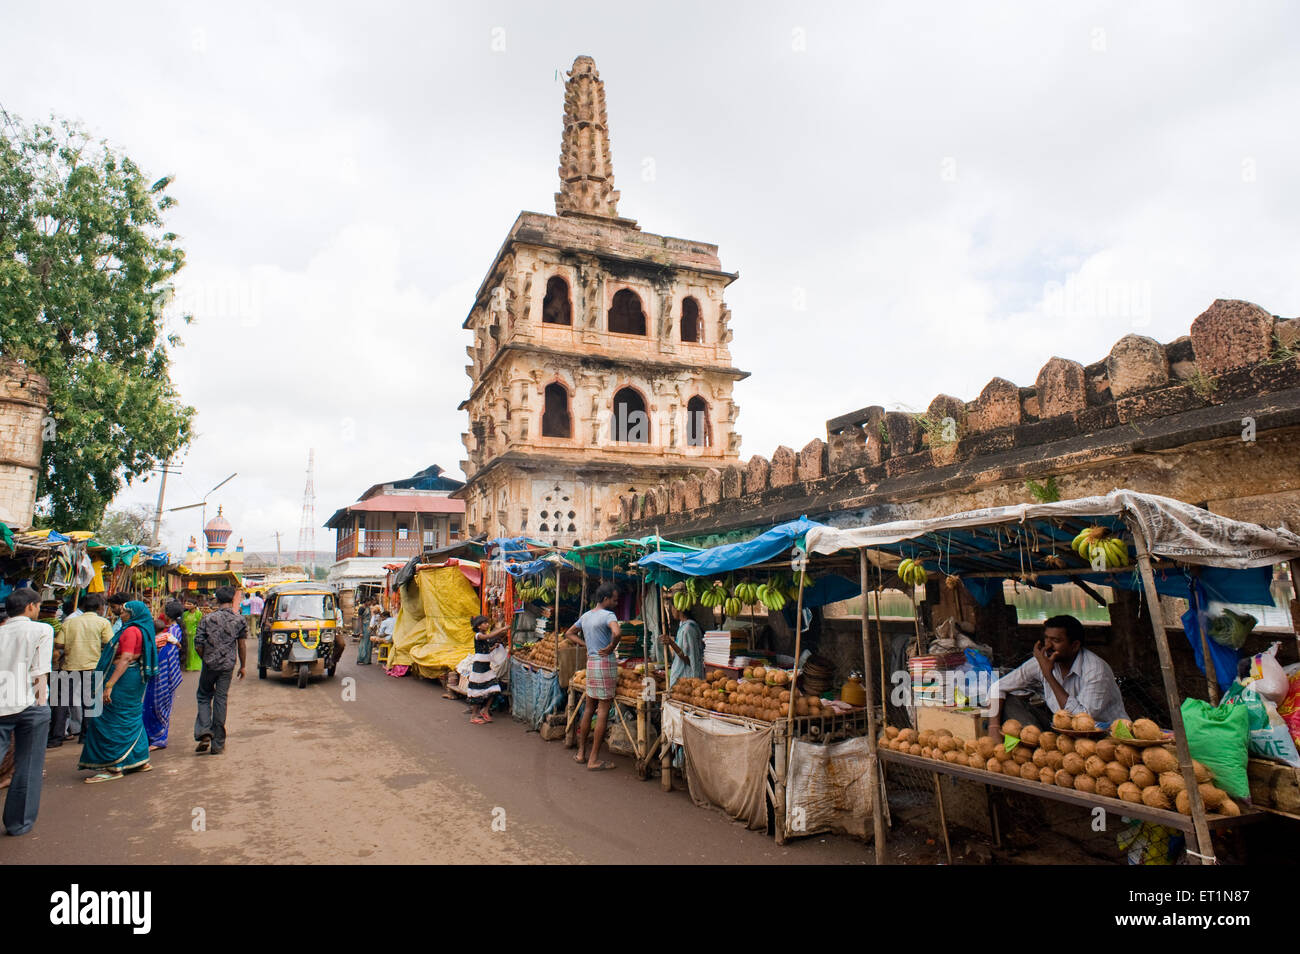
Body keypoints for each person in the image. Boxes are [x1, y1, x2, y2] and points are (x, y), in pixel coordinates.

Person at [986, 614, 1130, 734]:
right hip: (1063, 731)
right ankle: (1035, 746)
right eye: (1046, 639)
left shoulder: (1096, 670)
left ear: (1074, 646)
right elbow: (997, 687)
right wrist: (993, 729)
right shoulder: (1042, 660)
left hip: (1102, 733)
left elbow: (1081, 720)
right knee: (1010, 702)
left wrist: (1048, 675)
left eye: (1055, 641)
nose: (1048, 646)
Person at [78, 600, 157, 783]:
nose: (121, 615)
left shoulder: (130, 630)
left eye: (124, 612)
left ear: (132, 614)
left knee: (111, 719)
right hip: (133, 677)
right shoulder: (143, 630)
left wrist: (109, 684)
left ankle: (113, 767)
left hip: (123, 678)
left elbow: (127, 657)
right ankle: (138, 760)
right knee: (130, 716)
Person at [0, 588, 54, 834]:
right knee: (29, 765)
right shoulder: (42, 630)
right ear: (31, 606)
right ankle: (18, 824)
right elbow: (39, 670)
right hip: (30, 704)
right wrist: (41, 703)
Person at [564, 583, 621, 771]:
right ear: (605, 598)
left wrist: (586, 645)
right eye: (614, 598)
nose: (616, 602)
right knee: (603, 709)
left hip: (591, 663)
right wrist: (612, 647)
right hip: (605, 663)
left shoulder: (586, 616)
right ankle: (594, 759)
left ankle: (581, 753)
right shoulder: (608, 615)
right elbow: (617, 632)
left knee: (589, 707)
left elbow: (569, 633)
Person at [49, 593, 114, 747]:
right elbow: (110, 642)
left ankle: (55, 738)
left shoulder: (69, 622)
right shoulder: (103, 623)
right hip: (93, 666)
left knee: (61, 703)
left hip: (69, 666)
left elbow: (58, 644)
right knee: (91, 703)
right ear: (99, 608)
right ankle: (86, 736)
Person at [193, 586, 246, 756]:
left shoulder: (207, 618)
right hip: (227, 666)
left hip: (209, 664)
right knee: (220, 699)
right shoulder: (239, 620)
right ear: (232, 600)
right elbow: (242, 645)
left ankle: (204, 731)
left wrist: (206, 658)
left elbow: (198, 643)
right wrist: (243, 666)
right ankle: (218, 744)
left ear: (216, 599)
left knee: (203, 696)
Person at [143, 600, 185, 750]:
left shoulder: (171, 632)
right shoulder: (172, 630)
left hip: (162, 675)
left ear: (167, 615)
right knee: (156, 705)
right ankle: (154, 736)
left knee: (158, 706)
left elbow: (166, 655)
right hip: (163, 674)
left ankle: (158, 738)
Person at [465, 615, 510, 724]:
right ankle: (474, 716)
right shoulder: (478, 635)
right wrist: (502, 629)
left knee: (494, 687)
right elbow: (488, 636)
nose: (487, 624)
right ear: (478, 626)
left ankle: (485, 710)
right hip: (479, 667)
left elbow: (485, 650)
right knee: (478, 691)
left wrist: (493, 647)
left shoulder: (484, 636)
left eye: (487, 622)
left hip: (486, 666)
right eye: (484, 623)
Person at [661, 603, 704, 690]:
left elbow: (688, 658)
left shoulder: (688, 629)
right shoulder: (683, 626)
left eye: (672, 608)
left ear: (678, 609)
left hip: (687, 677)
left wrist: (671, 643)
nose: (671, 612)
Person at [180, 597, 203, 671]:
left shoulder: (199, 614)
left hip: (195, 635)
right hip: (186, 635)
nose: (187, 605)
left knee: (194, 650)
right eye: (186, 604)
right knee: (187, 651)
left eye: (189, 604)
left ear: (195, 605)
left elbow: (200, 625)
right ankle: (187, 665)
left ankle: (195, 665)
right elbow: (183, 624)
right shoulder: (184, 614)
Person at [356, 598, 373, 665]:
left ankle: (367, 660)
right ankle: (361, 659)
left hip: (368, 627)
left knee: (369, 644)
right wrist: (361, 631)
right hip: (364, 627)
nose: (370, 603)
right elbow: (359, 620)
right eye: (369, 601)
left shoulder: (368, 608)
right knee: (363, 643)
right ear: (366, 601)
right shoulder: (361, 609)